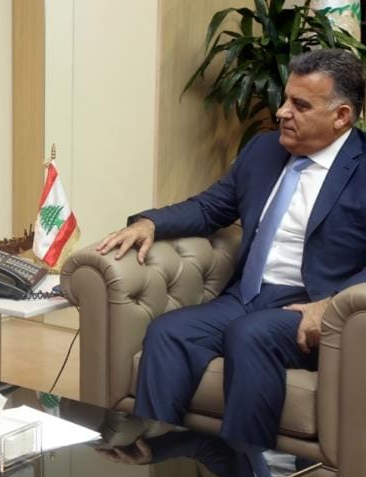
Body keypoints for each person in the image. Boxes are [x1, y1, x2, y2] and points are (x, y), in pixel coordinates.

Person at [96, 48, 366, 451]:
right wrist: (150, 223)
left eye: (300, 105)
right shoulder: (264, 150)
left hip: (311, 305)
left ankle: (245, 472)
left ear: (341, 116)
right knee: (169, 333)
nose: (282, 112)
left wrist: (332, 305)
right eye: (285, 99)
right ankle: (154, 461)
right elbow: (210, 207)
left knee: (249, 335)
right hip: (247, 295)